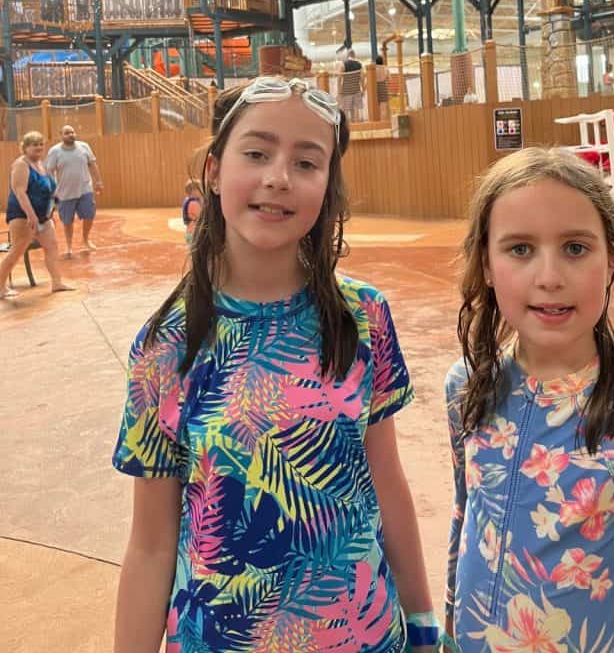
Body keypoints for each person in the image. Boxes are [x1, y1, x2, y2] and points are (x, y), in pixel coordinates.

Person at [112, 76, 439, 653]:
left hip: (364, 638)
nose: (278, 178)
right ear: (214, 171)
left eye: (306, 163)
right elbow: (151, 545)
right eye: (257, 153)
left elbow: (386, 481)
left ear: (327, 188)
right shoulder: (168, 343)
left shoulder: (362, 317)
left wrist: (421, 622)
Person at [445, 147, 614, 653]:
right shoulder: (466, 387)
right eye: (520, 249)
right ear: (485, 262)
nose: (549, 277)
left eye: (574, 248)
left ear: (611, 257)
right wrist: (448, 629)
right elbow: (466, 521)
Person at [0, 130, 73, 298]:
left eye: (41, 144)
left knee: (52, 247)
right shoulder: (21, 164)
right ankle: (0, 287)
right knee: (17, 250)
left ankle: (57, 283)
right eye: (34, 145)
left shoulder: (42, 165)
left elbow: (50, 189)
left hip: (43, 216)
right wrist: (31, 215)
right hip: (22, 215)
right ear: (25, 148)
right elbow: (20, 192)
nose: (39, 147)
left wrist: (54, 203)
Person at [45, 123, 103, 258]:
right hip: (64, 193)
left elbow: (93, 164)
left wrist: (99, 181)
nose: (71, 135)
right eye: (67, 133)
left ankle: (85, 239)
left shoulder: (84, 147)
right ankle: (69, 246)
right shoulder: (55, 151)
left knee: (89, 215)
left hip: (85, 189)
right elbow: (49, 171)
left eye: (72, 132)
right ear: (61, 136)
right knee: (67, 221)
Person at [339, 46, 364, 121]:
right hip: (356, 89)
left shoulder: (343, 64)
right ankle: (357, 125)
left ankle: (349, 127)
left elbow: (339, 78)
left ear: (347, 56)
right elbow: (362, 78)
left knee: (346, 109)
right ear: (354, 55)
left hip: (346, 90)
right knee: (356, 108)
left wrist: (339, 90)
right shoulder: (359, 65)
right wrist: (363, 89)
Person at [181, 178, 202, 246]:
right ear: (194, 191)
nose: (201, 191)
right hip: (195, 234)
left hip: (190, 233)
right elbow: (201, 217)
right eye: (199, 189)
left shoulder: (189, 200)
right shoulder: (193, 203)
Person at [375, 54, 390, 120]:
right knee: (383, 107)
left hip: (375, 87)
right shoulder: (385, 68)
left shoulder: (374, 68)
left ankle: (377, 122)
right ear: (382, 61)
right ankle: (383, 122)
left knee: (376, 106)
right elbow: (389, 78)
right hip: (383, 86)